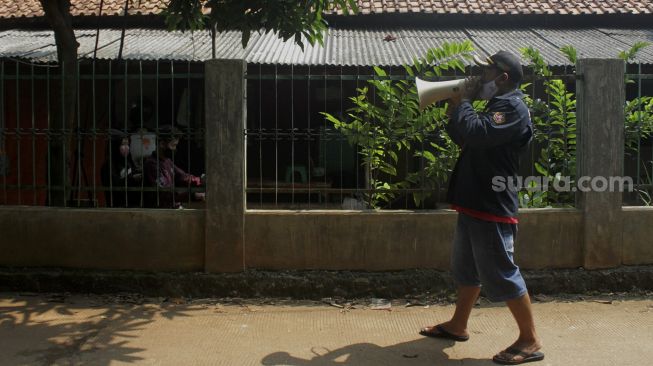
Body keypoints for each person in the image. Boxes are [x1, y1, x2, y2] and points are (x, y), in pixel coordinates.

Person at [418, 51, 543, 365]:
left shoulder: (512, 107)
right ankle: (458, 325)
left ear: (502, 77)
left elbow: (478, 132)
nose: (480, 76)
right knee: (467, 269)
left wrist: (464, 103)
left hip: (492, 204)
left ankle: (529, 340)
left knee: (501, 273)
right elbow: (467, 138)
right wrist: (455, 112)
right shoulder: (496, 106)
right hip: (474, 200)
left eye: (486, 71)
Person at [143, 126, 204, 209]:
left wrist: (202, 180)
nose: (175, 149)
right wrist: (193, 195)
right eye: (173, 145)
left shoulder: (167, 161)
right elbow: (164, 192)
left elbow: (183, 177)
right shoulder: (152, 164)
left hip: (171, 207)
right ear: (162, 144)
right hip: (159, 211)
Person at [100, 131, 141, 207]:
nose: (126, 147)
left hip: (133, 205)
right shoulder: (108, 165)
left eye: (127, 144)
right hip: (117, 206)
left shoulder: (128, 162)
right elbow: (114, 186)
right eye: (123, 144)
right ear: (115, 146)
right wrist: (132, 179)